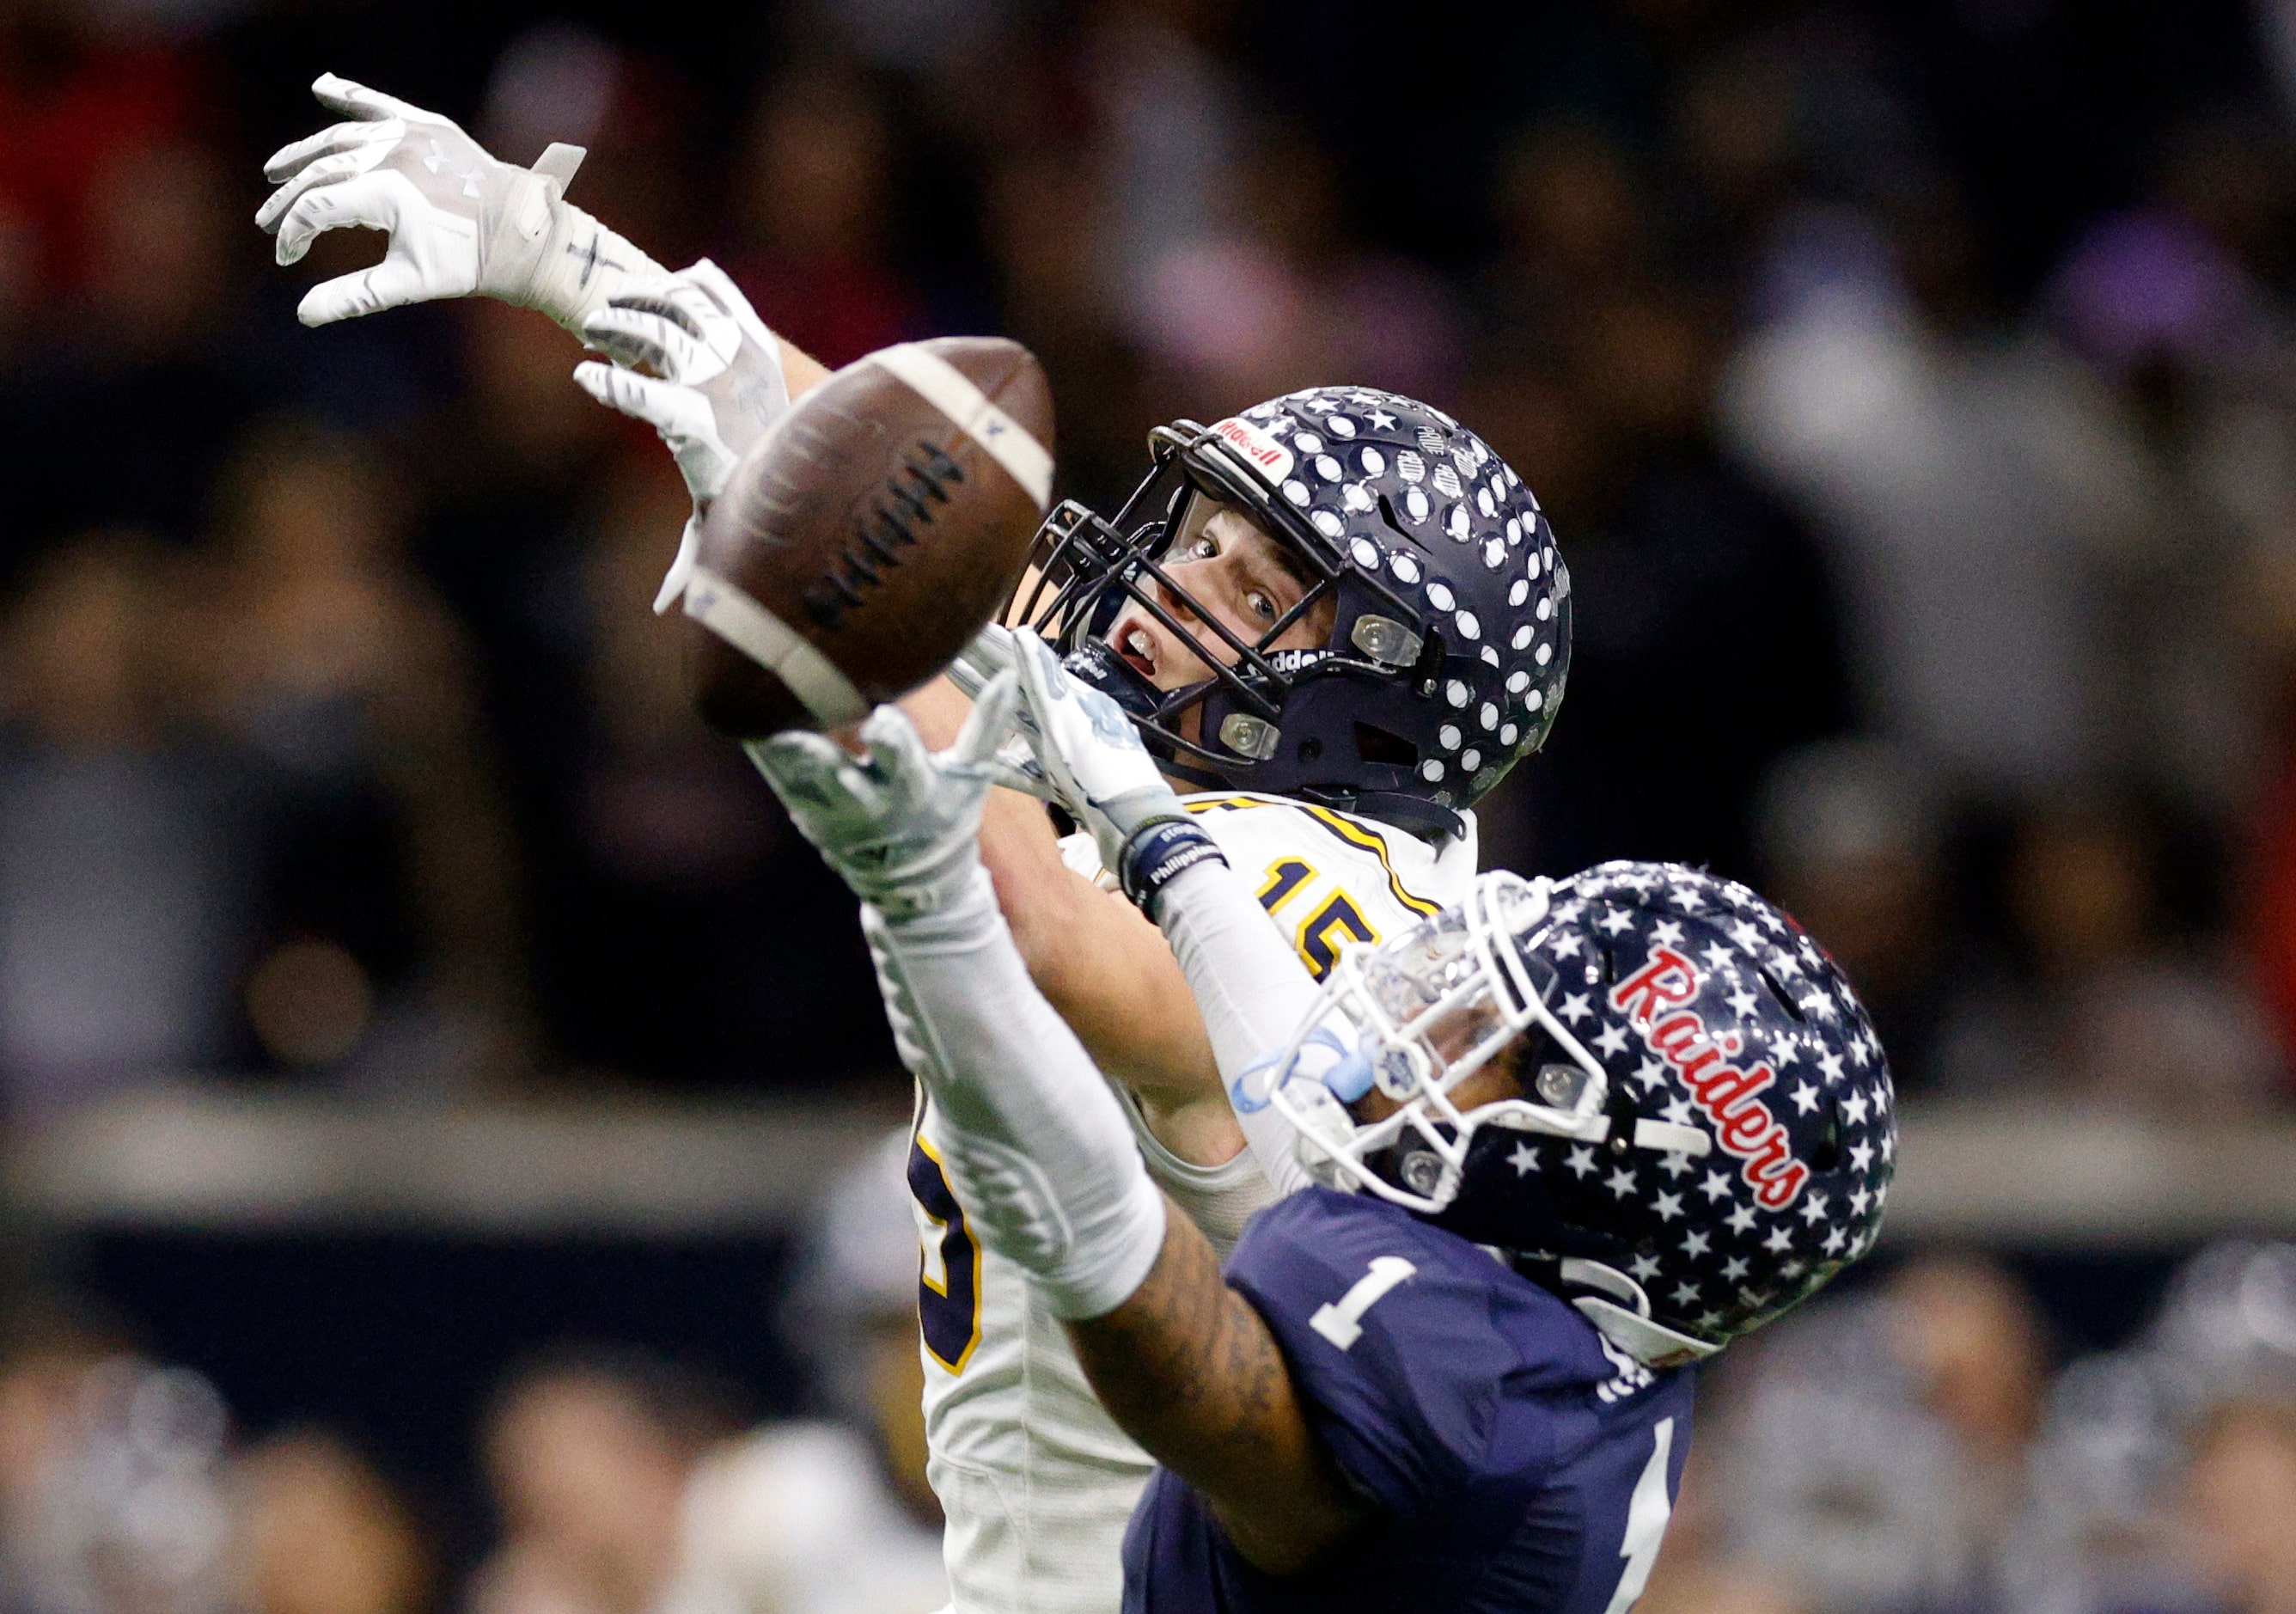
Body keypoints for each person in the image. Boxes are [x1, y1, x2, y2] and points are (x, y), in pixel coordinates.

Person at [256, 76, 1571, 1614]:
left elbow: (1112, 975)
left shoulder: (1305, 883)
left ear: (1372, 693)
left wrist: (871, 719)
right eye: (1197, 531)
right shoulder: (1251, 796)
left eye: (1249, 575)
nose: (1166, 581)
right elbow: (904, 491)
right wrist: (563, 256)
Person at [745, 647, 1894, 1611]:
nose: (1431, 1022)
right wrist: (1157, 837)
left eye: (1492, 1033)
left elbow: (1198, 1384)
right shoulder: (1555, 1321)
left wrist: (984, 1023)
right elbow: (1283, 1070)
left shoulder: (1478, 1399)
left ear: (1597, 1182)